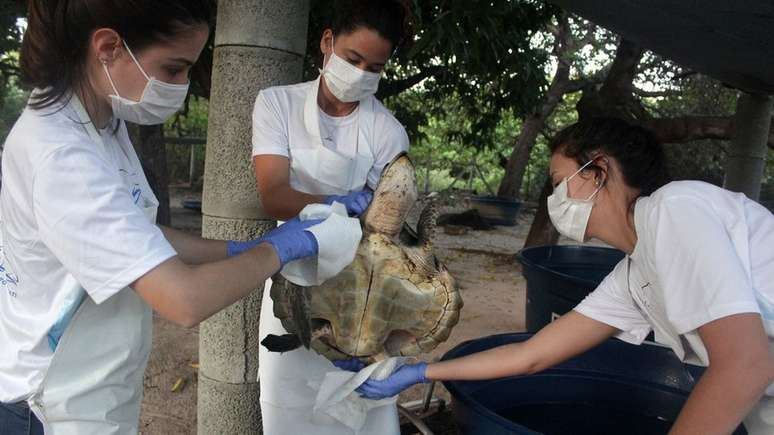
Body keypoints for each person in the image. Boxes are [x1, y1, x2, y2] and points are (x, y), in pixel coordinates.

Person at [0, 1, 324, 434]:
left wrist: (230, 251)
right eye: (173, 69)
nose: (182, 85)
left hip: (93, 379)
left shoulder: (101, 123)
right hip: (50, 401)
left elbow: (139, 235)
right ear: (109, 46)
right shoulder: (61, 155)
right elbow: (183, 300)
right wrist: (276, 251)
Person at [341, 118, 774, 435]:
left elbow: (744, 364)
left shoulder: (674, 209)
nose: (554, 197)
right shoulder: (634, 275)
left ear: (598, 170)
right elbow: (531, 356)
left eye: (559, 180)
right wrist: (423, 373)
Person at [251, 0, 411, 433]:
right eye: (353, 59)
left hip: (360, 286)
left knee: (361, 406)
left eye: (374, 67)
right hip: (292, 278)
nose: (361, 73)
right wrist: (340, 202)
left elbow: (383, 229)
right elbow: (273, 195)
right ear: (327, 42)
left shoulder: (388, 131)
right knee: (288, 403)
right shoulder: (276, 105)